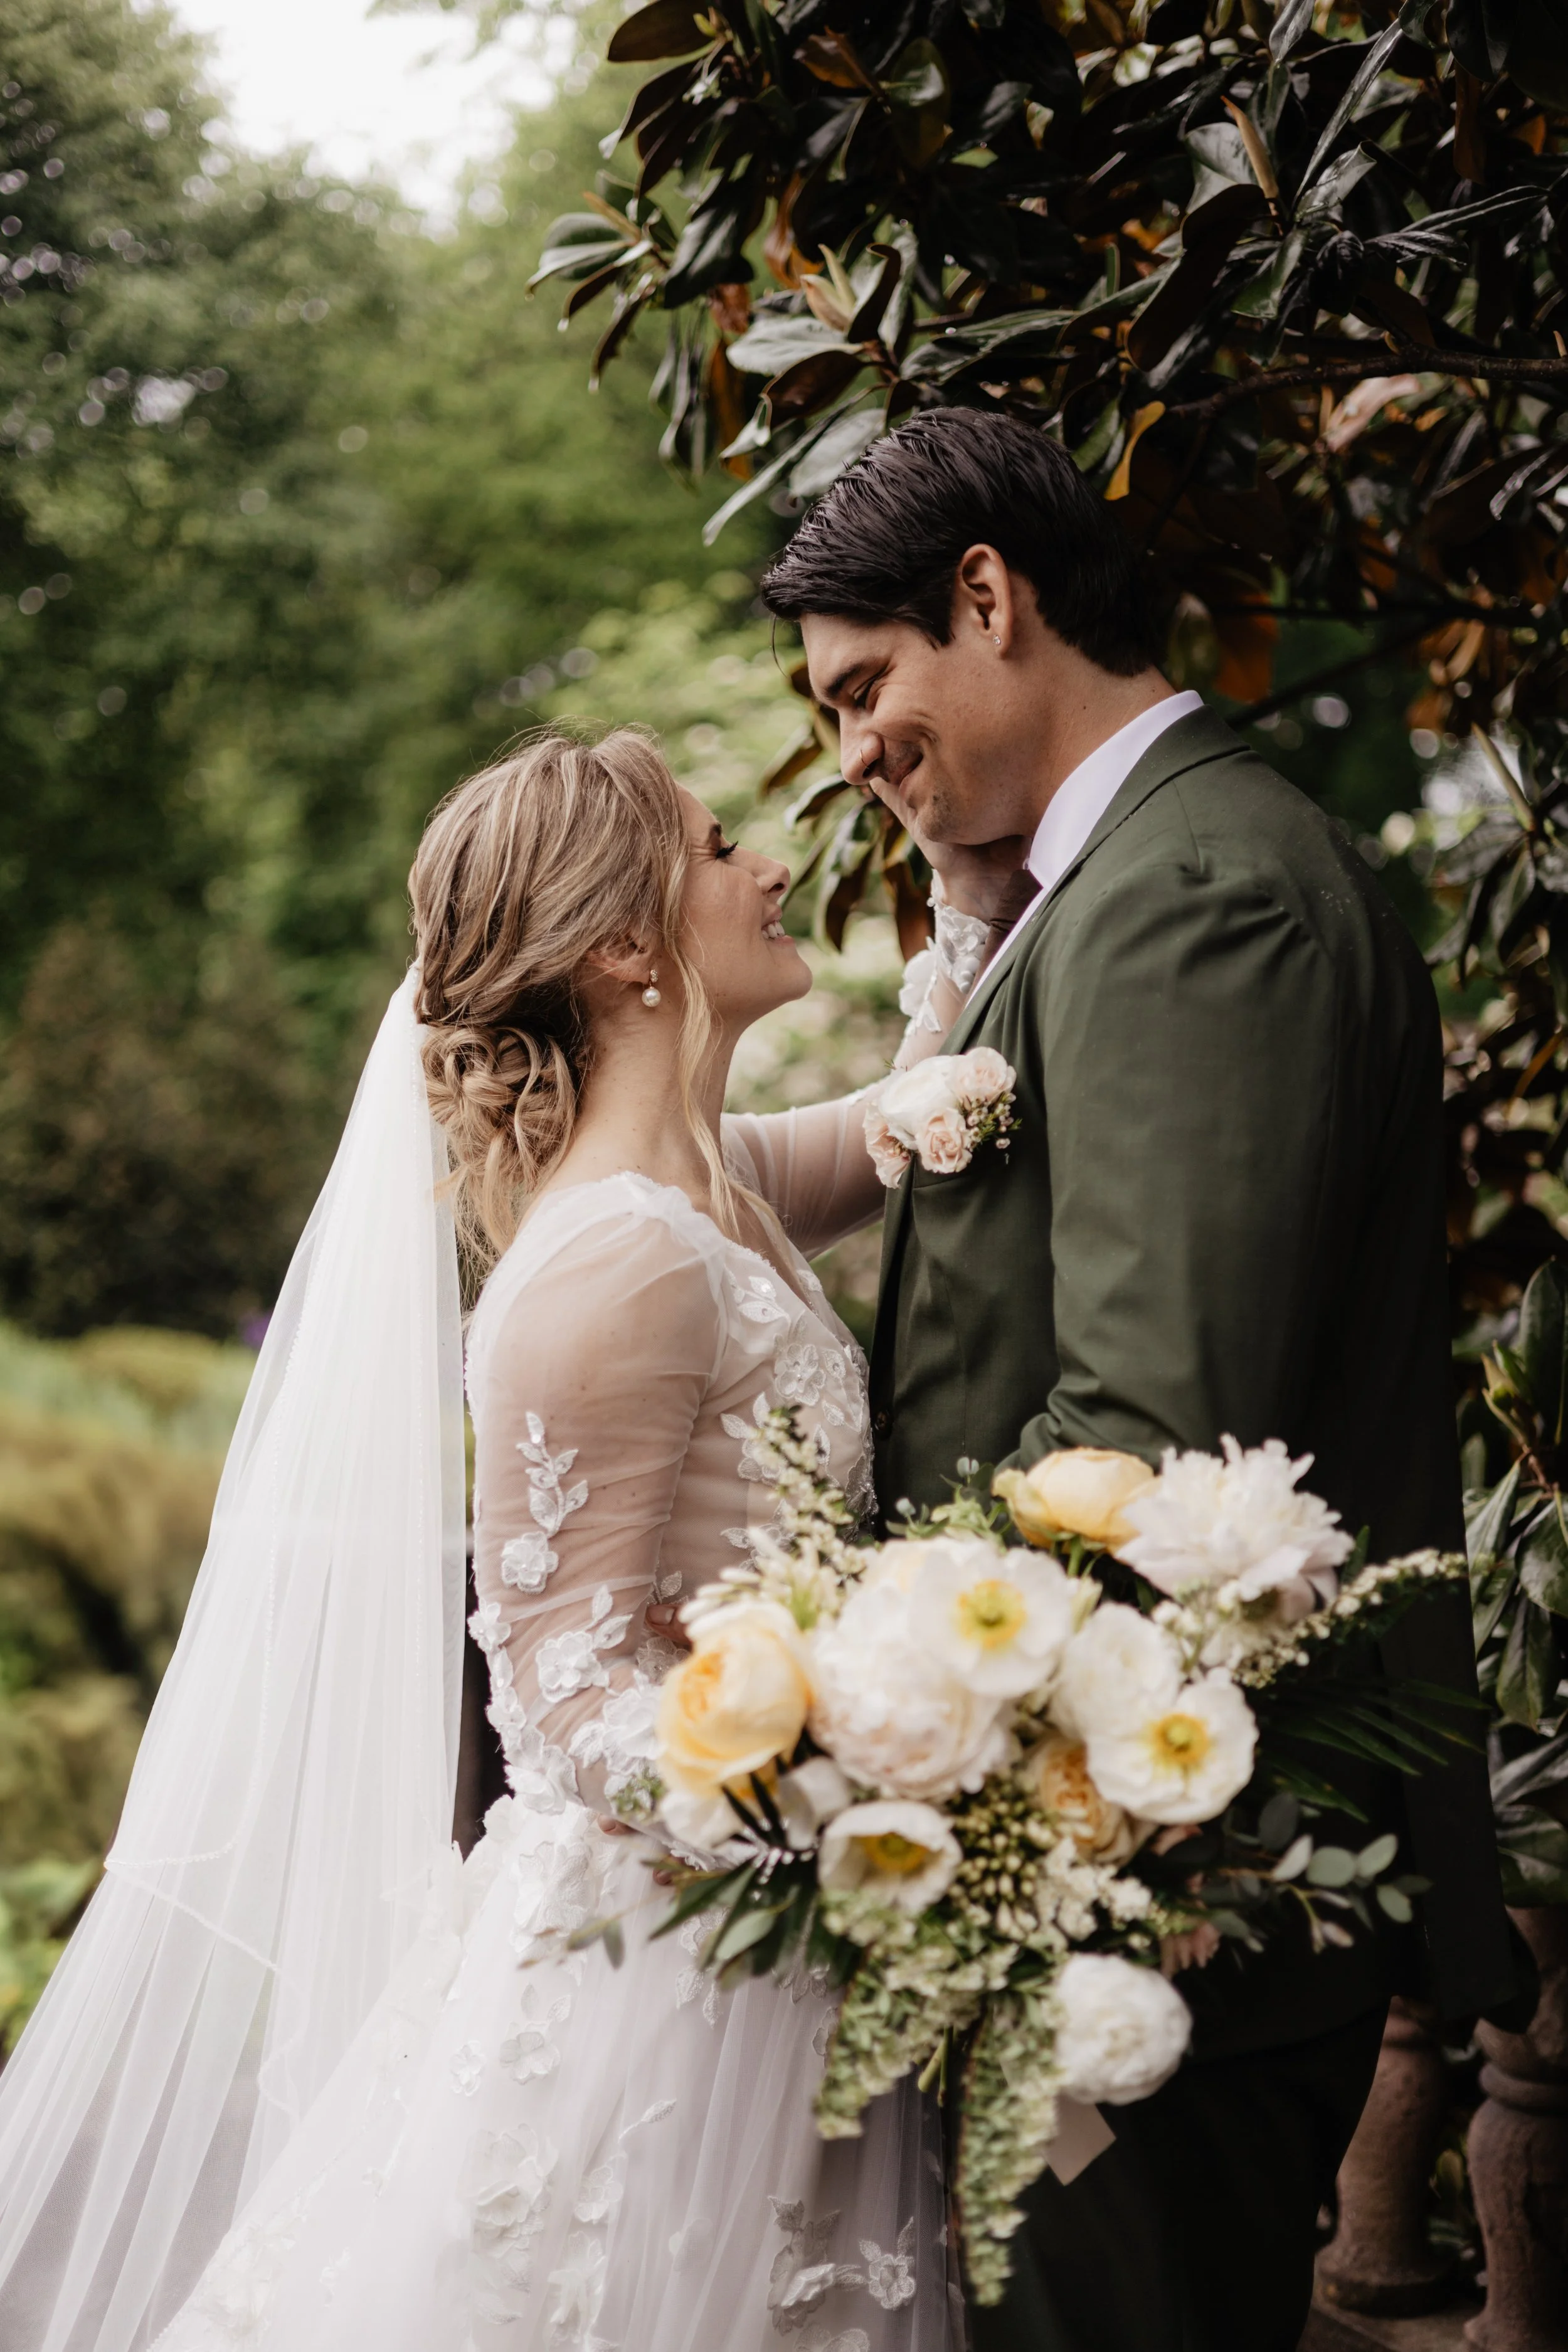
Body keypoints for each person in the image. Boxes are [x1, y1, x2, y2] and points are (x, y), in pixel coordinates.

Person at [0, 729, 955, 2352]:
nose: (776, 866)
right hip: (673, 1968)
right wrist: (840, 1781)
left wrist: (970, 962)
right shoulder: (608, 1265)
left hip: (773, 1937)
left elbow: (875, 1130)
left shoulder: (710, 1188)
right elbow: (559, 1700)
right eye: (725, 845)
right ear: (626, 944)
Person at [758, 405, 1515, 2352]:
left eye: (863, 686)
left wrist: (846, 1724)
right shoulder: (1110, 895)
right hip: (1110, 1867)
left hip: (1186, 1898)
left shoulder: (1196, 899)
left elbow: (1142, 1430)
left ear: (988, 598)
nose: (847, 751)